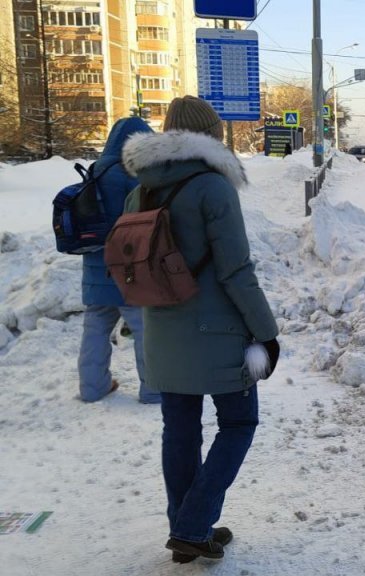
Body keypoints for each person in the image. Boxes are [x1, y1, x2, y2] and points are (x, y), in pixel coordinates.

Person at [120, 96, 280, 562]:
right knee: (238, 422)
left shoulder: (140, 190)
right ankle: (193, 524)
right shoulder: (213, 187)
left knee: (181, 429)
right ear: (212, 134)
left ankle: (187, 530)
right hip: (217, 334)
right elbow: (236, 271)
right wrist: (267, 333)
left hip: (162, 332)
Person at [79, 116, 160, 404]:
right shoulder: (132, 174)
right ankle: (153, 389)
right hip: (127, 266)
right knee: (143, 328)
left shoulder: (95, 170)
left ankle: (92, 387)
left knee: (95, 328)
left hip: (94, 265)